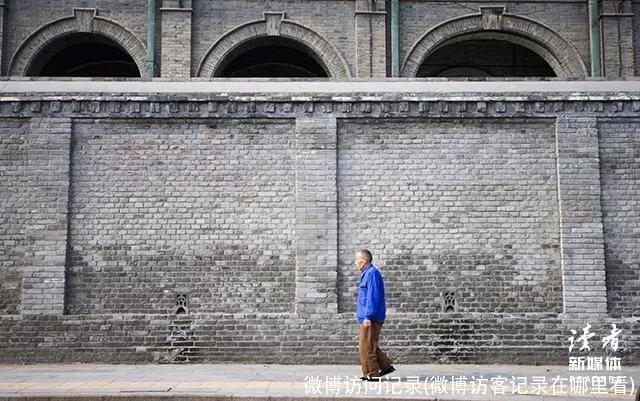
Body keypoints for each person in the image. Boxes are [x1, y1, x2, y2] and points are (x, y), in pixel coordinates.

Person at [354, 249, 395, 380]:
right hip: (367, 316)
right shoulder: (366, 273)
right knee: (369, 343)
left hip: (370, 317)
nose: (355, 263)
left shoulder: (372, 274)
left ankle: (372, 374)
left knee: (365, 346)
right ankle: (385, 365)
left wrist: (368, 316)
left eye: (357, 260)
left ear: (364, 261)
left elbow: (372, 297)